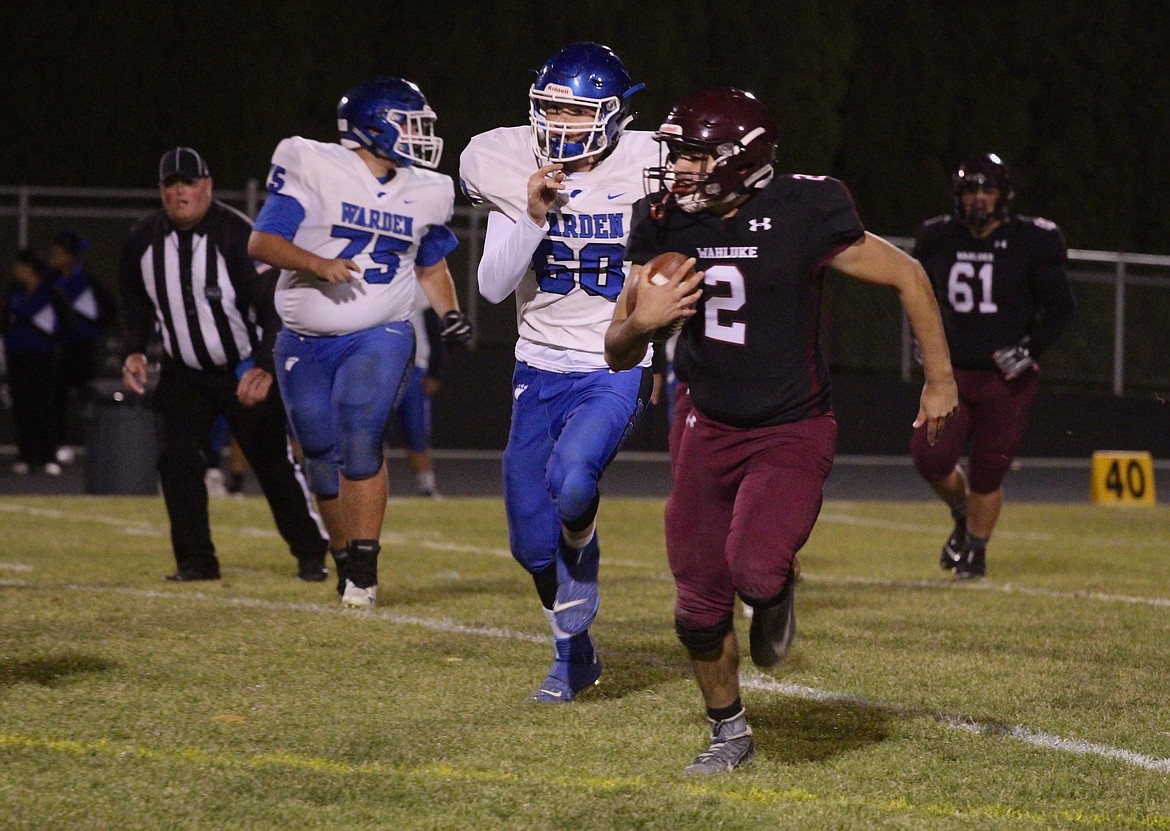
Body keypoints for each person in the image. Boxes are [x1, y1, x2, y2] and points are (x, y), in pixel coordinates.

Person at [604, 87, 958, 774]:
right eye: (676, 155)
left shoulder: (805, 207)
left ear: (742, 161)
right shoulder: (663, 222)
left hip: (791, 427)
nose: (678, 169)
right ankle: (729, 729)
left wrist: (940, 379)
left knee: (756, 569)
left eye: (695, 156)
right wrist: (640, 325)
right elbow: (617, 348)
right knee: (696, 602)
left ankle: (774, 589)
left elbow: (909, 276)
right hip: (705, 424)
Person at [459, 42, 659, 702]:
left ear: (611, 115)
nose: (560, 123)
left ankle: (585, 545)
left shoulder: (651, 161)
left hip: (613, 360)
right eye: (550, 108)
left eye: (575, 111)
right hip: (537, 365)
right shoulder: (511, 158)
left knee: (573, 481)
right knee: (528, 543)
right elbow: (491, 287)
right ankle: (573, 653)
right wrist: (532, 210)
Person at [248, 76, 472, 609]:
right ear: (372, 124)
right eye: (408, 124)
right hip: (304, 338)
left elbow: (430, 262)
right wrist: (317, 263)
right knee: (319, 452)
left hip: (381, 329)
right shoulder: (313, 163)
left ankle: (365, 570)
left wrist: (450, 313)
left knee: (361, 431)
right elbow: (263, 241)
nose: (420, 136)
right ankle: (345, 557)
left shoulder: (427, 189)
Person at [119, 146, 329, 582]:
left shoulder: (237, 236)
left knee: (272, 462)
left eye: (189, 183)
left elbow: (274, 307)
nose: (181, 193)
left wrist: (265, 367)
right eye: (171, 184)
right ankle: (196, 561)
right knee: (177, 462)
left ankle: (312, 552)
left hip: (241, 366)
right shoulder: (141, 240)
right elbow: (135, 301)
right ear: (161, 191)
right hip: (183, 372)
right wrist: (135, 348)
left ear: (207, 187)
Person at [911, 153, 1074, 579]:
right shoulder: (938, 237)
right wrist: (923, 342)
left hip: (1006, 379)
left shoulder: (1032, 240)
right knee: (930, 457)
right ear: (957, 196)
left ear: (1004, 195)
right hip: (951, 374)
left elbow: (1061, 307)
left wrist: (1030, 348)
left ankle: (976, 552)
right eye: (970, 191)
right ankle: (964, 515)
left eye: (988, 190)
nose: (979, 199)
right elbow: (918, 297)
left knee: (988, 467)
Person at [46, 228, 115, 464]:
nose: (53, 258)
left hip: (85, 348)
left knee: (90, 396)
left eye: (58, 254)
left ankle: (96, 446)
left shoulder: (87, 281)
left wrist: (95, 330)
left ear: (71, 256)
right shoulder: (49, 281)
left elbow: (108, 309)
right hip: (60, 349)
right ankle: (61, 444)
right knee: (58, 398)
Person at [2, 249, 71, 476]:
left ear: (29, 268)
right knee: (22, 405)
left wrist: (56, 343)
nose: (15, 270)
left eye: (19, 266)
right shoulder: (15, 292)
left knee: (45, 405)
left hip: (44, 358)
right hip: (18, 357)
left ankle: (48, 456)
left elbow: (66, 321)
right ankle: (26, 456)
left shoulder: (51, 292)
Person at [387, 299, 445, 498]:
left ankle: (426, 488)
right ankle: (373, 489)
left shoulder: (417, 282)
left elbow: (434, 328)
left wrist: (435, 370)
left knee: (416, 432)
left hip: (414, 367)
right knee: (374, 435)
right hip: (380, 367)